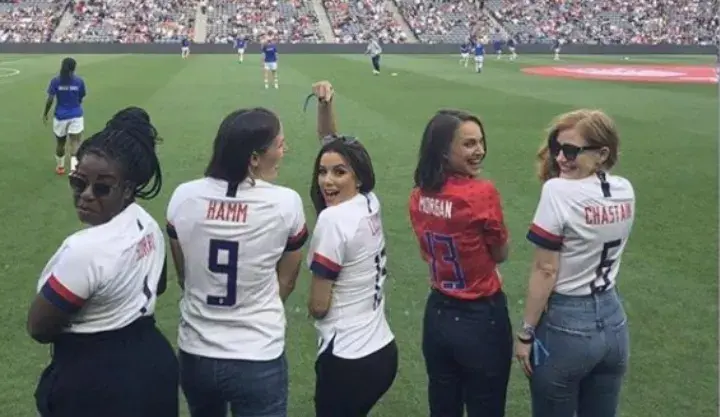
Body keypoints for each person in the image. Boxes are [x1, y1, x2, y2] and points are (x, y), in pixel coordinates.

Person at [27, 107, 179, 417]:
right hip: (153, 363)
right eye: (78, 182)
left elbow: (39, 327)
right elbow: (158, 285)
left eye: (102, 187)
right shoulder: (147, 223)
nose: (85, 195)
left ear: (127, 190)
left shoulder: (85, 249)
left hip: (96, 382)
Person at [166, 107, 307, 417]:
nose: (285, 151)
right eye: (280, 145)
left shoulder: (183, 197)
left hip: (196, 351)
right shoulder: (285, 203)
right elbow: (287, 279)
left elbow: (185, 275)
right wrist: (257, 307)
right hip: (257, 353)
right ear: (254, 157)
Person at [515, 109, 634, 417]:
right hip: (614, 322)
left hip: (568, 324)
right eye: (557, 149)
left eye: (571, 151)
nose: (561, 158)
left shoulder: (557, 190)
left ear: (602, 153)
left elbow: (546, 269)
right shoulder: (625, 189)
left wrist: (526, 332)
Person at [408, 109, 512, 417]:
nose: (479, 150)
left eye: (480, 142)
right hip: (481, 317)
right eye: (468, 144)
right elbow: (501, 253)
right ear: (443, 150)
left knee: (443, 405)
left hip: (438, 313)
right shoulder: (481, 193)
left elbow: (427, 253)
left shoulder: (418, 195)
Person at [307, 80, 398, 417]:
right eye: (322, 172)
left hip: (347, 358)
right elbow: (332, 145)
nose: (327, 180)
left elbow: (319, 305)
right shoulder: (368, 201)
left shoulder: (333, 222)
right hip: (381, 349)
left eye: (339, 173)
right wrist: (325, 105)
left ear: (357, 176)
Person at [43, 57, 86, 175]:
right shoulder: (79, 81)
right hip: (76, 115)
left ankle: (60, 167)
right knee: (75, 143)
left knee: (60, 143)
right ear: (74, 68)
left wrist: (45, 113)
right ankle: (74, 169)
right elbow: (81, 96)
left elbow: (50, 98)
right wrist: (76, 104)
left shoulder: (55, 81)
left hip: (61, 116)